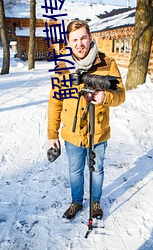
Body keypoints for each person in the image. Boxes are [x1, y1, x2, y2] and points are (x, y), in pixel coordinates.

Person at [47, 20, 125, 220]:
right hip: (72, 133)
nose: (79, 43)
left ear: (90, 38)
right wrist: (52, 134)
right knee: (75, 170)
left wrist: (105, 97)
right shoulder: (62, 66)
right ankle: (76, 202)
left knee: (97, 168)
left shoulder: (107, 63)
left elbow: (121, 95)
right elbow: (55, 102)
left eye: (83, 38)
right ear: (68, 41)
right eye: (74, 39)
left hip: (98, 130)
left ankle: (96, 202)